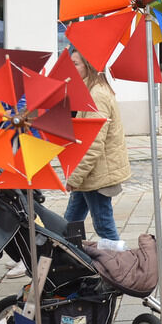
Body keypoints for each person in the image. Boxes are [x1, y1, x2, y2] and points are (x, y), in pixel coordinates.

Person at [63, 50, 130, 241]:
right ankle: (60, 261)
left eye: (75, 64)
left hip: (97, 174)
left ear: (88, 66)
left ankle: (120, 266)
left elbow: (93, 144)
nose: (71, 68)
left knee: (103, 226)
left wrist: (75, 177)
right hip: (91, 174)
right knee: (70, 223)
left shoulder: (96, 95)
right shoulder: (88, 90)